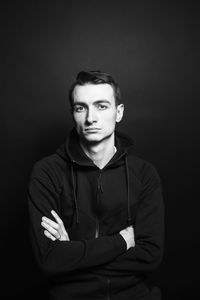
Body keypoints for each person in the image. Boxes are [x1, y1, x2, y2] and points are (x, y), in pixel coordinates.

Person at [28, 70, 164, 300]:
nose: (91, 118)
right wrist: (124, 241)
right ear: (73, 113)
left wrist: (73, 254)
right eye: (81, 107)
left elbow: (151, 255)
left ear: (118, 113)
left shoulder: (144, 173)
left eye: (101, 106)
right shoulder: (47, 172)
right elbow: (50, 259)